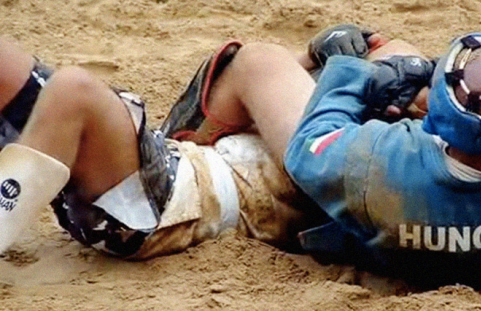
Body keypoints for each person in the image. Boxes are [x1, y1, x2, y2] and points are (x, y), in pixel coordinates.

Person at [0, 26, 387, 258]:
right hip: (160, 168)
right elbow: (199, 121)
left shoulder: (376, 159)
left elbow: (318, 165)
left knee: (73, 89)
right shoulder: (312, 106)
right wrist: (311, 56)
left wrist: (384, 77)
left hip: (170, 206)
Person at [282, 33, 481, 288]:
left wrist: (350, 72)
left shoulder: (382, 163)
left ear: (432, 122)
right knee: (397, 51)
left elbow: (307, 147)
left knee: (259, 62)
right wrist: (430, 76)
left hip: (389, 257)